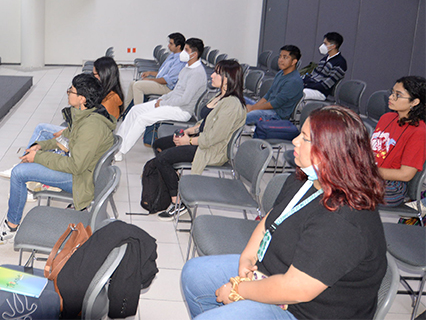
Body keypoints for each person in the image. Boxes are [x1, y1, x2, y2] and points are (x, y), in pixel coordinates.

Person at [181, 105, 387, 320]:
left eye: (305, 138)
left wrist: (238, 290)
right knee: (195, 274)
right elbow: (271, 220)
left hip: (303, 310)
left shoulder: (343, 220)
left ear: (331, 151)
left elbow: (297, 289)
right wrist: (247, 258)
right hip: (273, 274)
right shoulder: (307, 180)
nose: (296, 141)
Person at [0, 73, 115, 244]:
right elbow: (66, 137)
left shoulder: (91, 126)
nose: (68, 93)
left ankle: (10, 227)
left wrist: (38, 157)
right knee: (25, 167)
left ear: (82, 98)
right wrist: (42, 146)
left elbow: (75, 166)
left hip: (82, 181)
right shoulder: (85, 115)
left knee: (19, 173)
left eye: (71, 91)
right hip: (81, 172)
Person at [0, 56, 123, 179]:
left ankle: (25, 165)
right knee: (48, 137)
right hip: (83, 137)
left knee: (42, 129)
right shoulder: (106, 94)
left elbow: (94, 130)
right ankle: (27, 163)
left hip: (85, 153)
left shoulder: (109, 102)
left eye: (95, 74)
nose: (91, 76)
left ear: (105, 75)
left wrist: (68, 132)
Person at [151, 59, 246, 220]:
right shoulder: (220, 96)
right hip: (201, 140)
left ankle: (178, 202)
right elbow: (206, 122)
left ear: (227, 80)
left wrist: (187, 141)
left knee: (162, 159)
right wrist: (189, 131)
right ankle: (176, 183)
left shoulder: (232, 104)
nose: (212, 76)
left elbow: (213, 138)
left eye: (217, 73)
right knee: (159, 144)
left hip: (211, 150)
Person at [115, 38, 207, 160]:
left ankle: (120, 152)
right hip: (170, 103)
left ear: (194, 54)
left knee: (142, 119)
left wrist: (163, 103)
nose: (183, 53)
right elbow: (176, 92)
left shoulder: (197, 74)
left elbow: (185, 100)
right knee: (135, 110)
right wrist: (163, 100)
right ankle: (117, 142)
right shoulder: (186, 68)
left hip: (181, 110)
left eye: (186, 50)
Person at [371, 75, 425, 206]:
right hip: (371, 174)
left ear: (414, 102)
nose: (391, 97)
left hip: (392, 186)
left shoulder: (419, 132)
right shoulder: (386, 118)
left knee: (344, 190)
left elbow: (405, 175)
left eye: (398, 95)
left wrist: (368, 171)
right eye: (392, 93)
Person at [123, 32, 186, 109]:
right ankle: (125, 110)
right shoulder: (172, 56)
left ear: (178, 46)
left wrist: (150, 80)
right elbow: (163, 74)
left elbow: (167, 80)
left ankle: (137, 112)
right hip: (162, 84)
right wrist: (150, 73)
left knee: (138, 86)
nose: (168, 46)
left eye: (171, 44)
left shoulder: (180, 61)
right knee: (132, 83)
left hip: (167, 88)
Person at [246, 45, 303, 124]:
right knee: (239, 99)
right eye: (280, 57)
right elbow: (268, 94)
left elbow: (275, 103)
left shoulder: (293, 81)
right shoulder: (280, 73)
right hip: (267, 108)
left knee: (242, 117)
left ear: (294, 62)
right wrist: (254, 107)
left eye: (285, 57)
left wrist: (253, 108)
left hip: (277, 114)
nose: (280, 60)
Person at [302, 32, 347, 101]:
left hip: (320, 92)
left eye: (325, 44)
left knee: (297, 93)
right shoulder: (324, 59)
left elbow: (326, 85)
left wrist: (307, 85)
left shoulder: (340, 63)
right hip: (310, 87)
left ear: (333, 46)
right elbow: (313, 75)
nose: (322, 46)